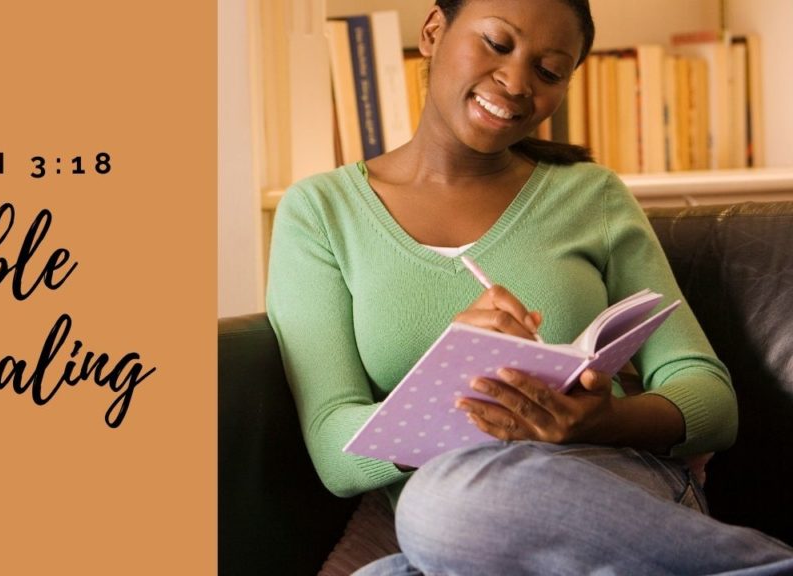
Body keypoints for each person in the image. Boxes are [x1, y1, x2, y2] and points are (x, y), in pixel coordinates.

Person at [265, 0, 793, 573]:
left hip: (610, 489)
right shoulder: (321, 212)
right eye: (497, 43)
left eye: (548, 71)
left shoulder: (592, 197)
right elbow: (335, 452)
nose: (516, 83)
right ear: (434, 31)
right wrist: (450, 382)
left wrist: (604, 421)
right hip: (456, 539)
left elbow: (711, 398)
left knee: (441, 504)